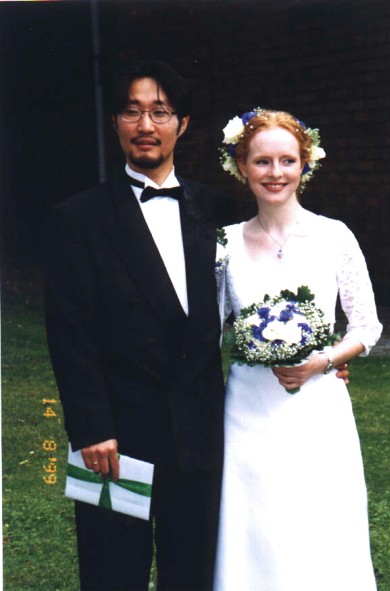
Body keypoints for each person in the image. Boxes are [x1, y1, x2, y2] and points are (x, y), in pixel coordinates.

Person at [43, 60, 236, 591]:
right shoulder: (77, 218)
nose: (145, 125)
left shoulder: (219, 210)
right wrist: (91, 428)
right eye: (132, 111)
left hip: (199, 433)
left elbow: (254, 301)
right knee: (112, 571)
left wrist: (317, 359)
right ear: (115, 123)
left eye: (160, 111)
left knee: (193, 570)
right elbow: (69, 333)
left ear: (183, 124)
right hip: (115, 436)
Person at [213, 109, 382, 591]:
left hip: (317, 406)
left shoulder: (334, 236)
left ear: (305, 164)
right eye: (262, 161)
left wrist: (324, 361)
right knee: (254, 523)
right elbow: (208, 330)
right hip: (247, 407)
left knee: (320, 521)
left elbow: (367, 326)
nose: (275, 173)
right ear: (241, 166)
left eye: (287, 160)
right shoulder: (224, 244)